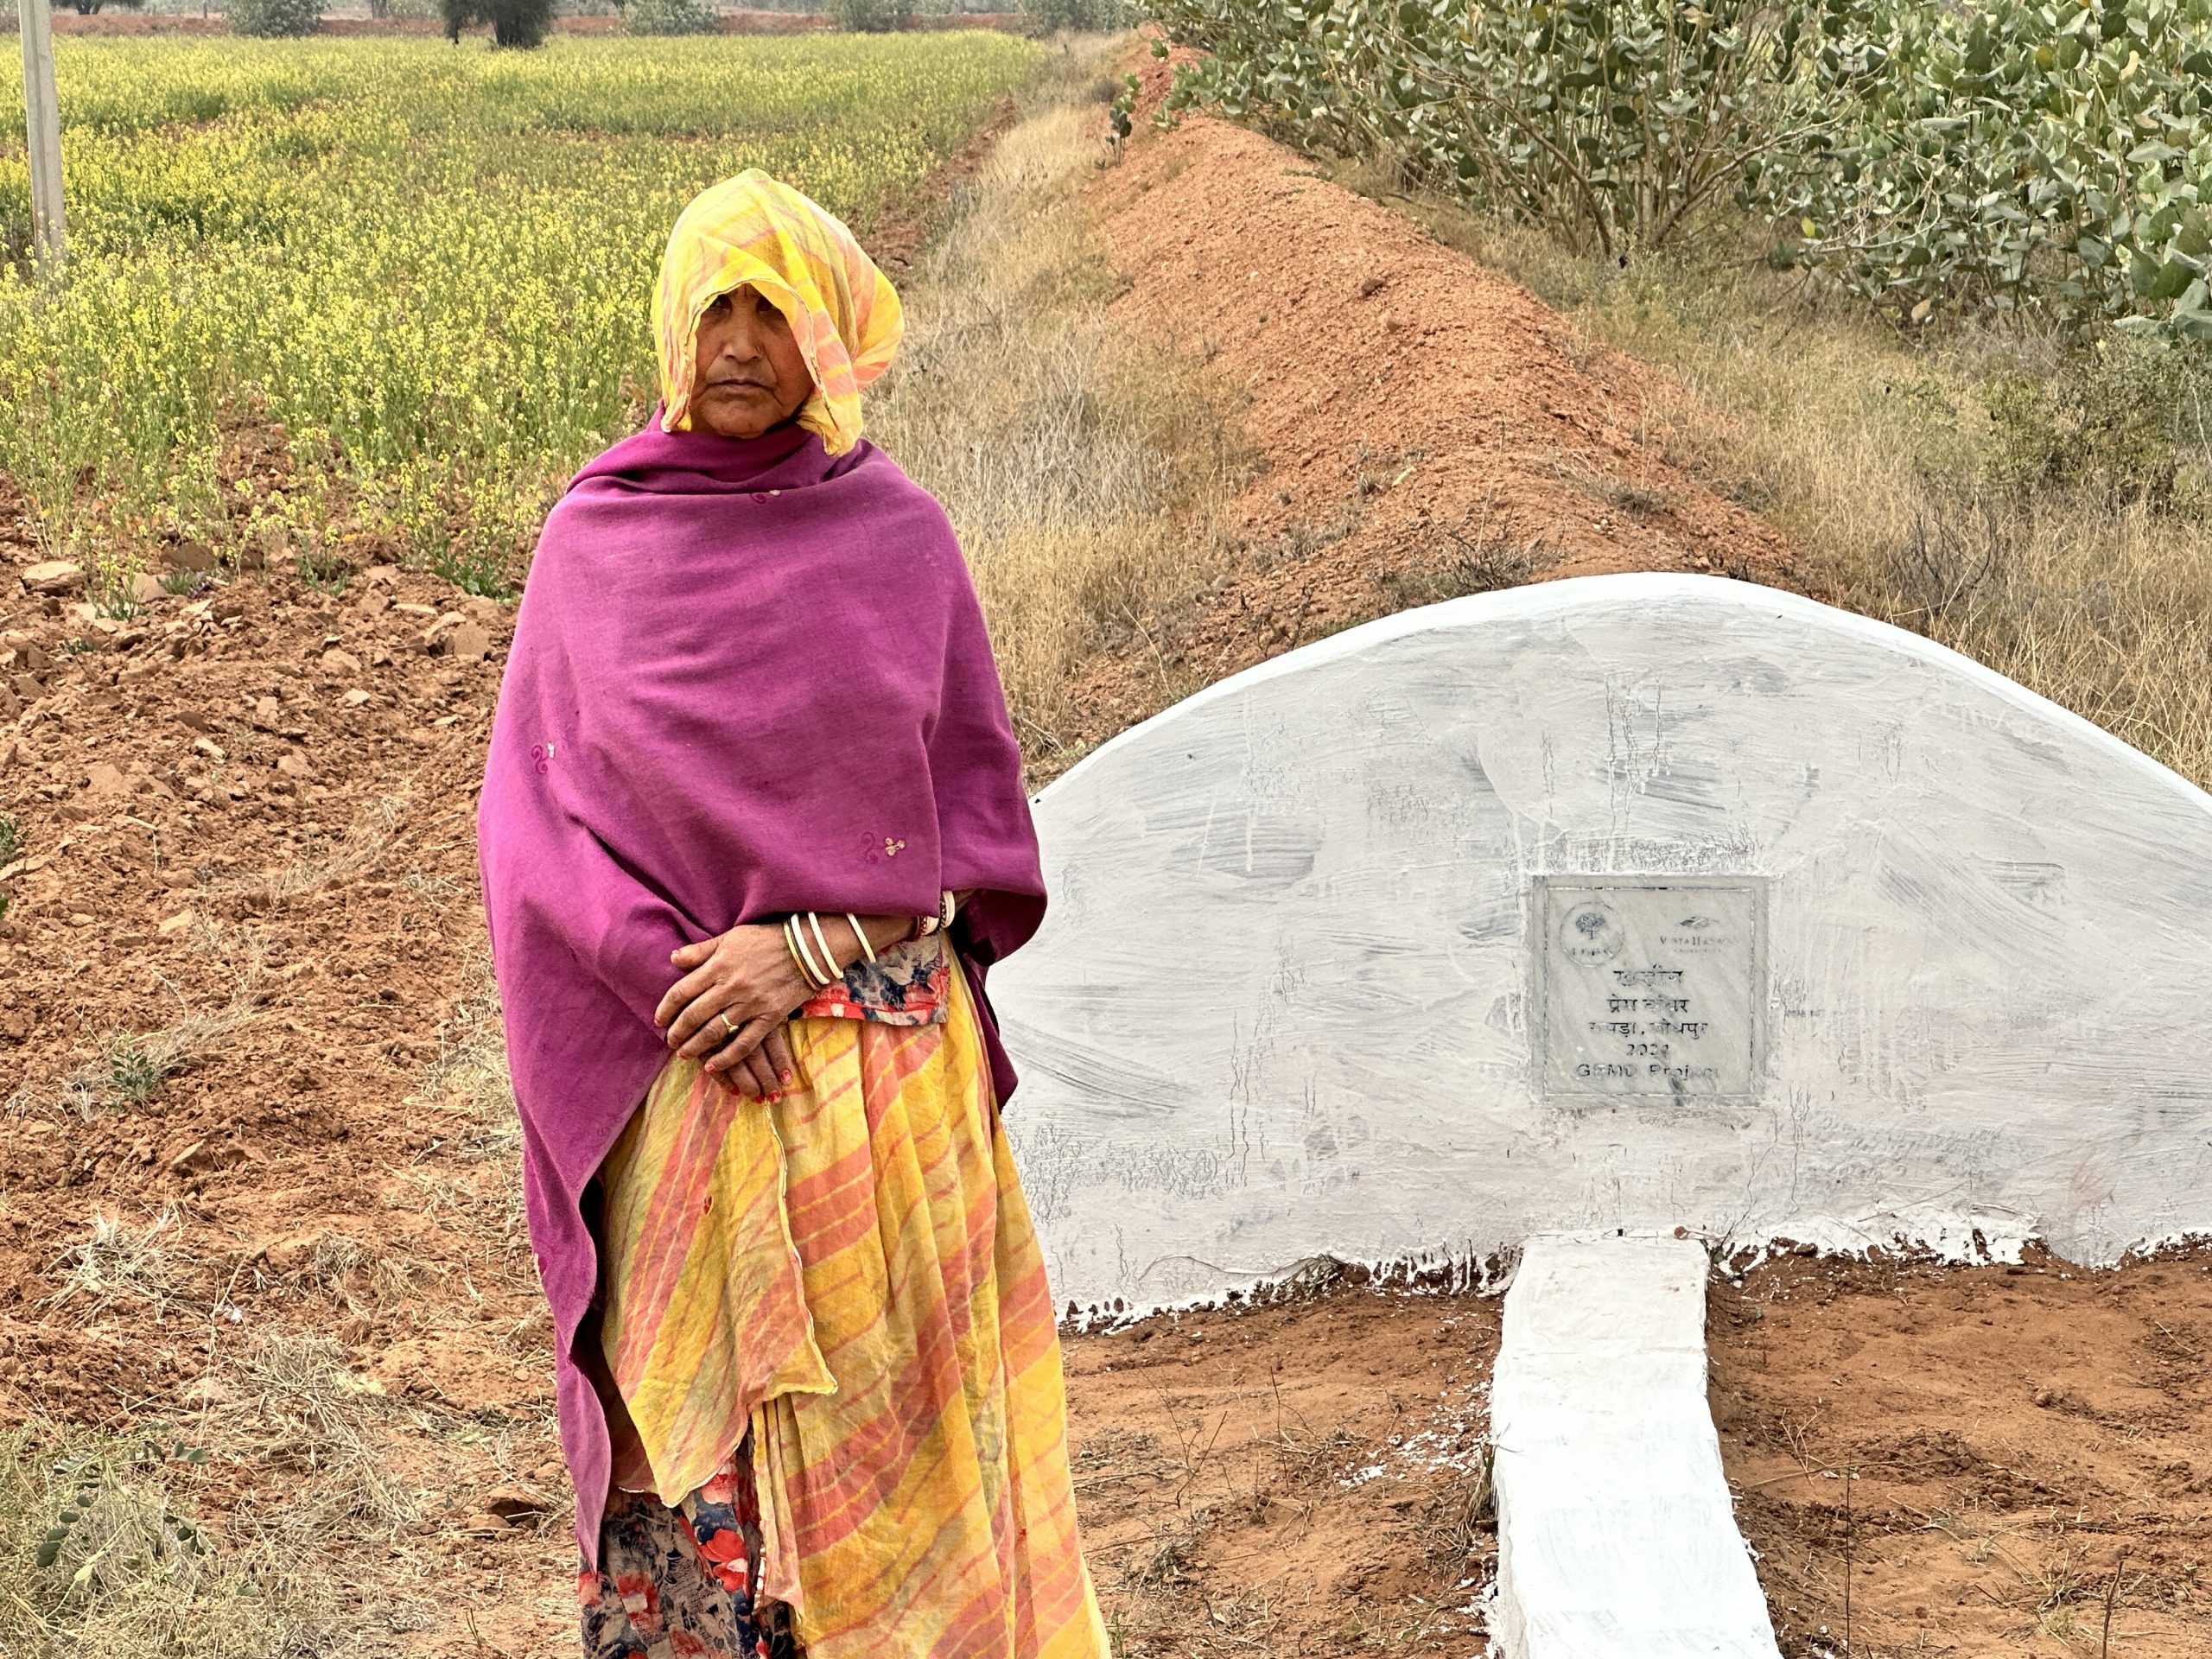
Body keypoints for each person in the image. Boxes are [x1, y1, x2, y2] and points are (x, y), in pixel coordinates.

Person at [478, 169, 1109, 1659]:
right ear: (673, 329)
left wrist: (804, 950)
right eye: (718, 309)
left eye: (776, 310)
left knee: (907, 1468)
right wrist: (680, 977)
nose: (743, 344)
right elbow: (535, 823)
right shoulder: (595, 543)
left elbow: (973, 845)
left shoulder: (898, 539)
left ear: (826, 333)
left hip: (887, 1118)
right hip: (688, 1066)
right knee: (700, 1474)